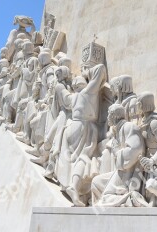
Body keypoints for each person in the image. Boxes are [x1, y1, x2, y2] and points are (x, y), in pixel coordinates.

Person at [55, 63, 107, 206]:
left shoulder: (73, 97)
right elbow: (101, 69)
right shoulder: (88, 92)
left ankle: (74, 185)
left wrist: (60, 86)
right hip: (85, 127)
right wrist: (87, 72)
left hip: (72, 127)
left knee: (75, 158)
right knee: (84, 157)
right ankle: (74, 186)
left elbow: (64, 99)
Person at [91, 104, 147, 207]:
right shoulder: (118, 130)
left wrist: (117, 152)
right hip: (120, 172)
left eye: (109, 115)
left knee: (106, 197)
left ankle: (128, 198)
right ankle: (119, 201)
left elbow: (136, 150)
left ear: (115, 116)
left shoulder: (129, 127)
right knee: (96, 182)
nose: (107, 117)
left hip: (129, 173)